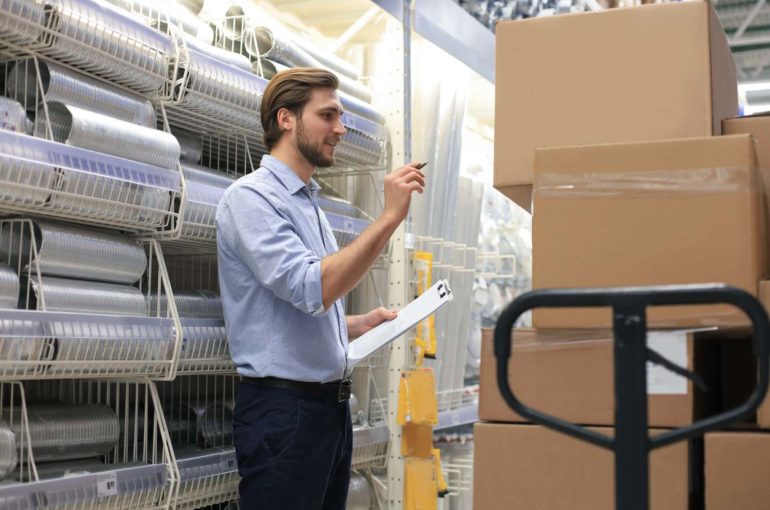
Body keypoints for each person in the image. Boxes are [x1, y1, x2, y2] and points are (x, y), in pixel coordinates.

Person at [215, 67, 426, 509]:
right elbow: (312, 288)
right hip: (284, 414)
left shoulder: (308, 202)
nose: (340, 128)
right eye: (328, 115)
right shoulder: (251, 199)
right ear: (286, 119)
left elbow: (294, 311)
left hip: (325, 413)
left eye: (340, 116)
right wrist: (388, 219)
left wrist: (354, 324)